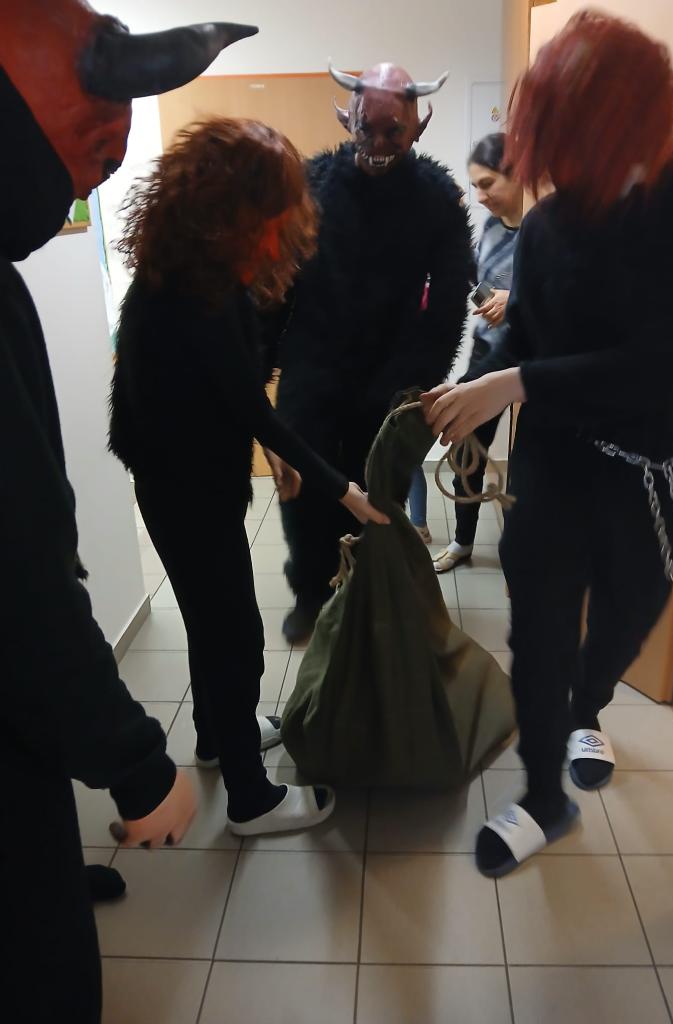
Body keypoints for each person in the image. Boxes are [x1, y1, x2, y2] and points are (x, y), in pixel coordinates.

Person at [423, 10, 673, 878]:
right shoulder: (551, 222)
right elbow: (522, 334)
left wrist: (516, 383)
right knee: (536, 630)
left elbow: (664, 360)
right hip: (559, 460)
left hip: (659, 465)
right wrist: (469, 393)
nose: (557, 165)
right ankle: (544, 798)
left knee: (623, 619)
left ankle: (589, 707)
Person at [0, 4, 257, 1019]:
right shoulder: (177, 290)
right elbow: (17, 574)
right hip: (182, 490)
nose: (89, 185)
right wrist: (137, 766)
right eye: (90, 157)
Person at [109, 117, 388, 839]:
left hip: (182, 482)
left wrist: (276, 454)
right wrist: (342, 487)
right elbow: (248, 404)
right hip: (186, 491)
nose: (283, 228)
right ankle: (250, 798)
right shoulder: (189, 295)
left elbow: (230, 389)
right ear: (233, 208)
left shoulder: (191, 271)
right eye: (274, 210)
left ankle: (216, 734)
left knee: (211, 624)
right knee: (234, 634)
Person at [276, 61, 474, 643]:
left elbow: (449, 300)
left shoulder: (438, 198)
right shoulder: (311, 184)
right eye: (368, 128)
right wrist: (264, 362)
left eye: (394, 132)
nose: (379, 144)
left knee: (378, 492)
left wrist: (418, 381)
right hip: (313, 367)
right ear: (348, 120)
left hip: (392, 373)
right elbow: (277, 276)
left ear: (417, 127)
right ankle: (312, 592)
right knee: (304, 489)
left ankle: (367, 598)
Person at [432, 132, 522, 573]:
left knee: (527, 472)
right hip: (487, 354)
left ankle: (521, 558)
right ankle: (462, 542)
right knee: (466, 454)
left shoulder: (543, 231)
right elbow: (480, 281)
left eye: (488, 184)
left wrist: (514, 300)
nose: (481, 196)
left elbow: (563, 299)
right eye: (476, 187)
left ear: (517, 174)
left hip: (526, 364)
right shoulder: (490, 228)